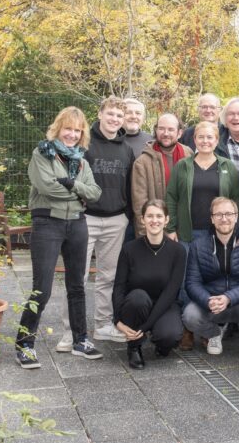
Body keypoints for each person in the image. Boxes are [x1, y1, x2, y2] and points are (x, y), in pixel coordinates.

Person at [16, 107, 102, 368]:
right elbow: (47, 187)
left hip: (77, 224)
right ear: (58, 128)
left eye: (77, 130)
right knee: (42, 288)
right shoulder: (42, 154)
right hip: (47, 223)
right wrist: (79, 193)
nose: (72, 134)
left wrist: (71, 184)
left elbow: (95, 192)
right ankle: (25, 344)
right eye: (68, 129)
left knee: (77, 285)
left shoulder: (82, 161)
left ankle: (80, 339)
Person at [57, 96, 135, 351]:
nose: (114, 119)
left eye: (119, 116)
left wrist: (127, 215)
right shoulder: (84, 143)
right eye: (110, 113)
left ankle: (102, 325)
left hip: (115, 220)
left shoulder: (126, 149)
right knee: (77, 276)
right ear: (100, 114)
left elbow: (129, 185)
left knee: (108, 277)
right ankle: (71, 331)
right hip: (86, 218)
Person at [165, 120, 239, 350]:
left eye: (210, 138)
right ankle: (188, 329)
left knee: (212, 280)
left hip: (218, 236)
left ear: (216, 140)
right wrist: (171, 229)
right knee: (187, 283)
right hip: (188, 234)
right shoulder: (183, 166)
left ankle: (209, 329)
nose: (205, 141)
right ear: (194, 140)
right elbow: (171, 196)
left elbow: (236, 200)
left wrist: (235, 231)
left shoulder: (227, 166)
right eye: (201, 137)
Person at [182, 197, 239, 357]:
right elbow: (192, 282)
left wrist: (228, 297)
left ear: (236, 217)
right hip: (212, 304)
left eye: (228, 214)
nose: (224, 219)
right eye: (219, 214)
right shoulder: (198, 245)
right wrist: (208, 300)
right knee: (189, 315)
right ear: (212, 219)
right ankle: (214, 334)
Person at [112, 200, 185, 369]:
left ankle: (160, 343)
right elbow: (119, 287)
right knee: (138, 297)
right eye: (150, 216)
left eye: (159, 216)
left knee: (170, 335)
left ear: (166, 220)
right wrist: (117, 320)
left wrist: (145, 327)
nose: (155, 220)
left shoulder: (178, 251)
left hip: (165, 305)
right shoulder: (129, 249)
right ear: (142, 219)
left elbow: (171, 293)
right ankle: (134, 347)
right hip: (136, 304)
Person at [131, 113, 192, 236]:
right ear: (156, 130)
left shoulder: (188, 155)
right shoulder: (142, 162)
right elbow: (139, 205)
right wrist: (146, 235)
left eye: (170, 129)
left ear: (179, 133)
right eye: (161, 128)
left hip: (185, 228)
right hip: (155, 231)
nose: (165, 133)